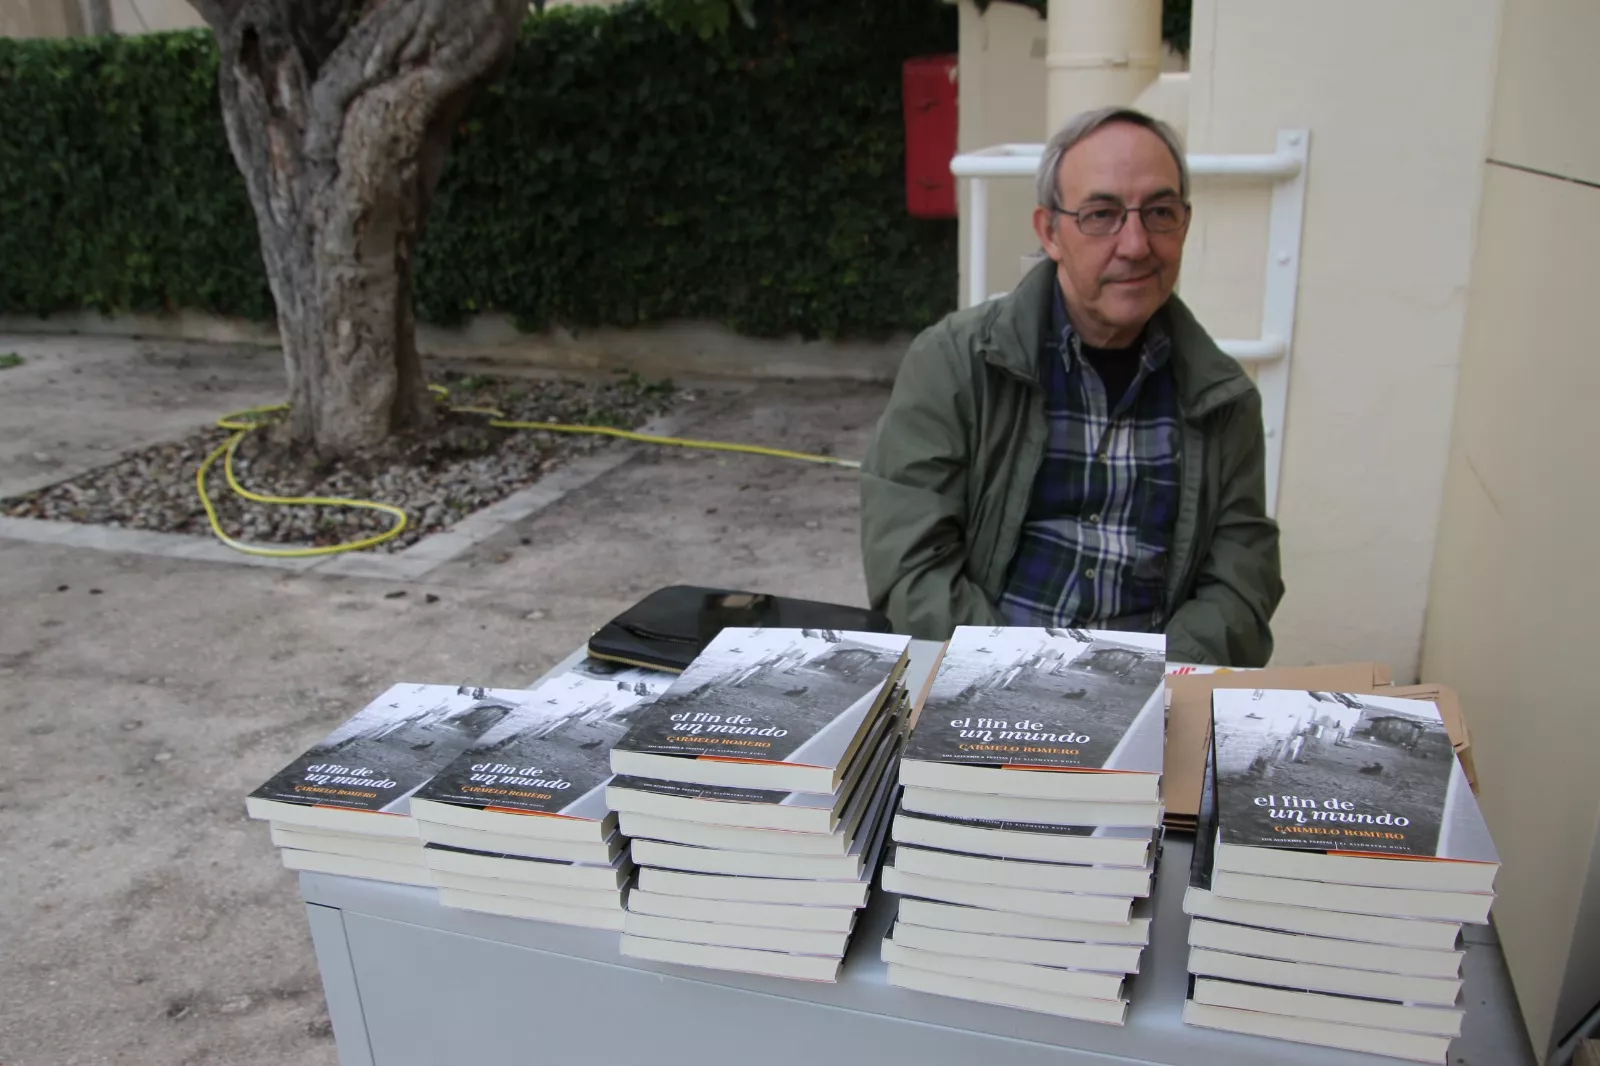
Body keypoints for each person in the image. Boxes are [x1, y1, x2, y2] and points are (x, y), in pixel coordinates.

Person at [858, 105, 1284, 666]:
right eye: (1101, 214)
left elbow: (1242, 583)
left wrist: (1150, 684)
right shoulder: (955, 363)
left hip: (1152, 694)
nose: (1135, 244)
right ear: (1049, 231)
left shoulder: (1224, 400)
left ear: (1184, 222)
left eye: (1159, 212)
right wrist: (1012, 680)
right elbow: (911, 566)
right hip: (979, 682)